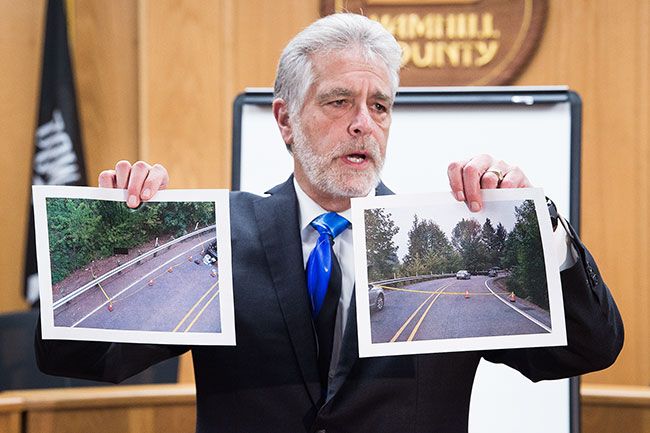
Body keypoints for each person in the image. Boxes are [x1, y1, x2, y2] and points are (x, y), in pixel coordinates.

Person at [36, 13, 623, 433]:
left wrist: (542, 236)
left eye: (380, 105)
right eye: (338, 102)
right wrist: (103, 228)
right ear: (286, 120)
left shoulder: (447, 240)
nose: (363, 123)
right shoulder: (223, 236)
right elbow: (80, 358)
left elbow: (588, 350)